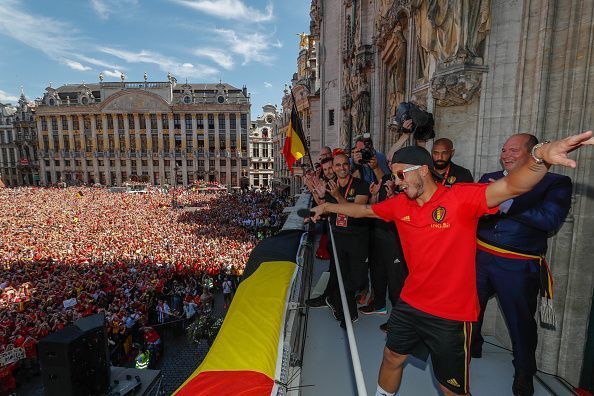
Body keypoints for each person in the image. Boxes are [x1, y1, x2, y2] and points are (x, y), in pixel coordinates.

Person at [308, 131, 593, 396]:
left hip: (451, 314)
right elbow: (366, 209)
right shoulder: (400, 204)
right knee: (392, 356)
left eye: (399, 175)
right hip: (410, 302)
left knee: (450, 389)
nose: (395, 182)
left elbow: (511, 185)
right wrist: (328, 206)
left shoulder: (461, 197)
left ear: (421, 170)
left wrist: (540, 156)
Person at [472, 133, 572, 396]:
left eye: (513, 150)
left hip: (518, 265)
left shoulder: (556, 183)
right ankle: (472, 346)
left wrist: (507, 203)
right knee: (470, 310)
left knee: (520, 324)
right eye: (504, 150)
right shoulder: (488, 177)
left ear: (532, 153)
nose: (506, 155)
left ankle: (524, 372)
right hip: (481, 258)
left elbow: (550, 220)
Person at [322, 153, 370, 329]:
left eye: (344, 164)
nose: (341, 168)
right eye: (338, 165)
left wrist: (337, 196)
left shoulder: (361, 185)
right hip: (338, 238)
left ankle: (335, 298)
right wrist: (319, 195)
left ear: (349, 166)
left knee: (358, 279)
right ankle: (348, 314)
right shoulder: (330, 186)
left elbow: (355, 210)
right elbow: (326, 210)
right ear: (333, 168)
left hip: (358, 238)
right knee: (342, 276)